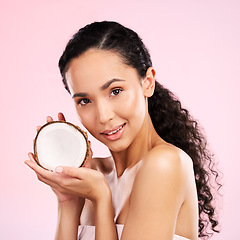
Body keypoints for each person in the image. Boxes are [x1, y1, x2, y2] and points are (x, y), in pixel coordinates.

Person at [25, 21, 221, 240]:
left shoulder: (164, 164)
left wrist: (102, 199)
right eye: (84, 100)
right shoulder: (94, 175)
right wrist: (67, 202)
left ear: (147, 82)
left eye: (115, 91)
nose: (103, 116)